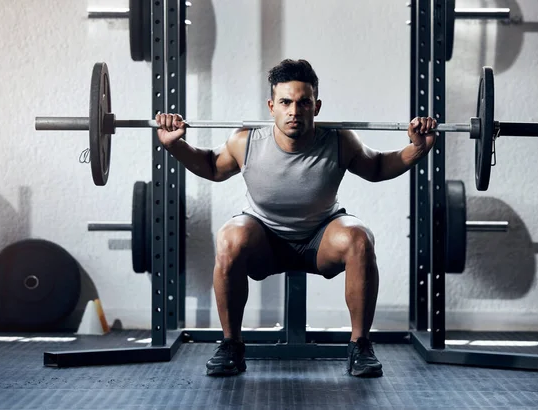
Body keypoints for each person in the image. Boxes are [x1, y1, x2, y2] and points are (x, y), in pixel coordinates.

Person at [155, 59, 437, 378]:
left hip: (321, 238)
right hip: (264, 238)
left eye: (303, 102)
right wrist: (174, 144)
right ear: (271, 105)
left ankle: (360, 346)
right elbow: (210, 166)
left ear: (316, 107)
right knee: (230, 237)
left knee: (359, 237)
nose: (294, 111)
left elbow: (376, 167)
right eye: (286, 102)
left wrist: (417, 150)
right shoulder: (246, 141)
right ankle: (231, 345)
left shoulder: (338, 140)